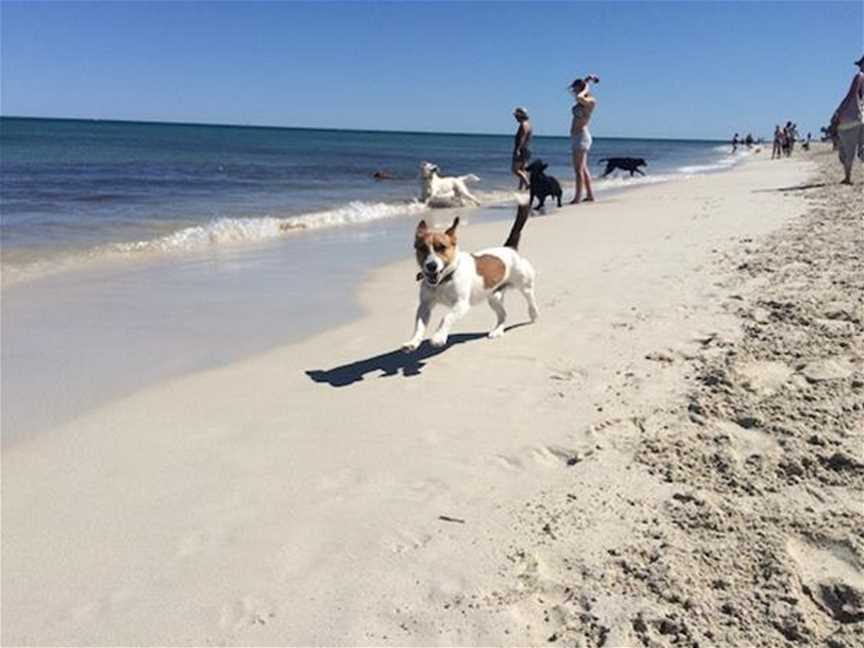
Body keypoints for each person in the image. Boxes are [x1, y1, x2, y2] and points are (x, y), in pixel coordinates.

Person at [831, 55, 864, 184]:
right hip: (862, 116)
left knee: (847, 150)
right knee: (862, 149)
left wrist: (839, 112)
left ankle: (848, 177)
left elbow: (851, 95)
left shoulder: (859, 76)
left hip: (851, 118)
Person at [568, 75, 599, 204]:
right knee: (583, 168)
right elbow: (578, 96)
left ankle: (577, 197)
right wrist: (587, 80)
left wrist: (586, 86)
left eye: (576, 89)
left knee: (578, 169)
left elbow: (580, 96)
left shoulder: (591, 101)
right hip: (576, 136)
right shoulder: (580, 100)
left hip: (582, 136)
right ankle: (590, 195)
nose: (574, 92)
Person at [511, 107, 532, 190]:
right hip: (527, 149)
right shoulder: (529, 124)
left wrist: (517, 149)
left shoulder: (523, 125)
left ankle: (527, 184)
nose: (515, 118)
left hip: (522, 149)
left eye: (516, 116)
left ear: (520, 116)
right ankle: (520, 189)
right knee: (523, 170)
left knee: (515, 170)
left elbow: (522, 138)